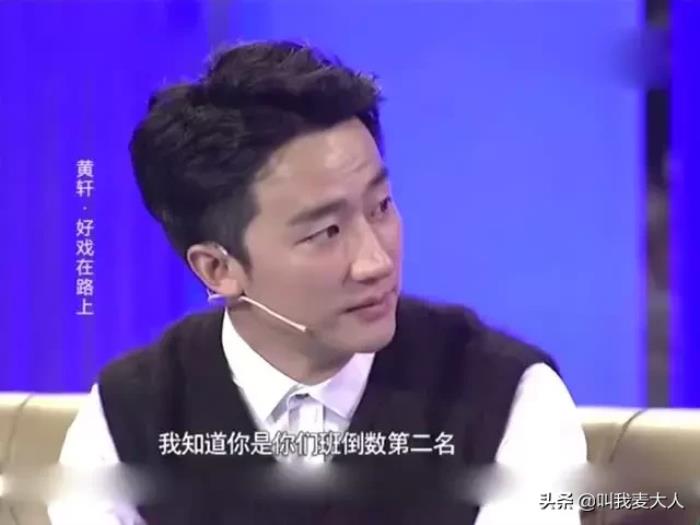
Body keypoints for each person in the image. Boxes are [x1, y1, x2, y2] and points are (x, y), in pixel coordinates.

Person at [49, 40, 586, 525]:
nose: (375, 261)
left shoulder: (506, 396)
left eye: (380, 207)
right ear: (218, 269)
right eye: (325, 232)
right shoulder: (128, 420)